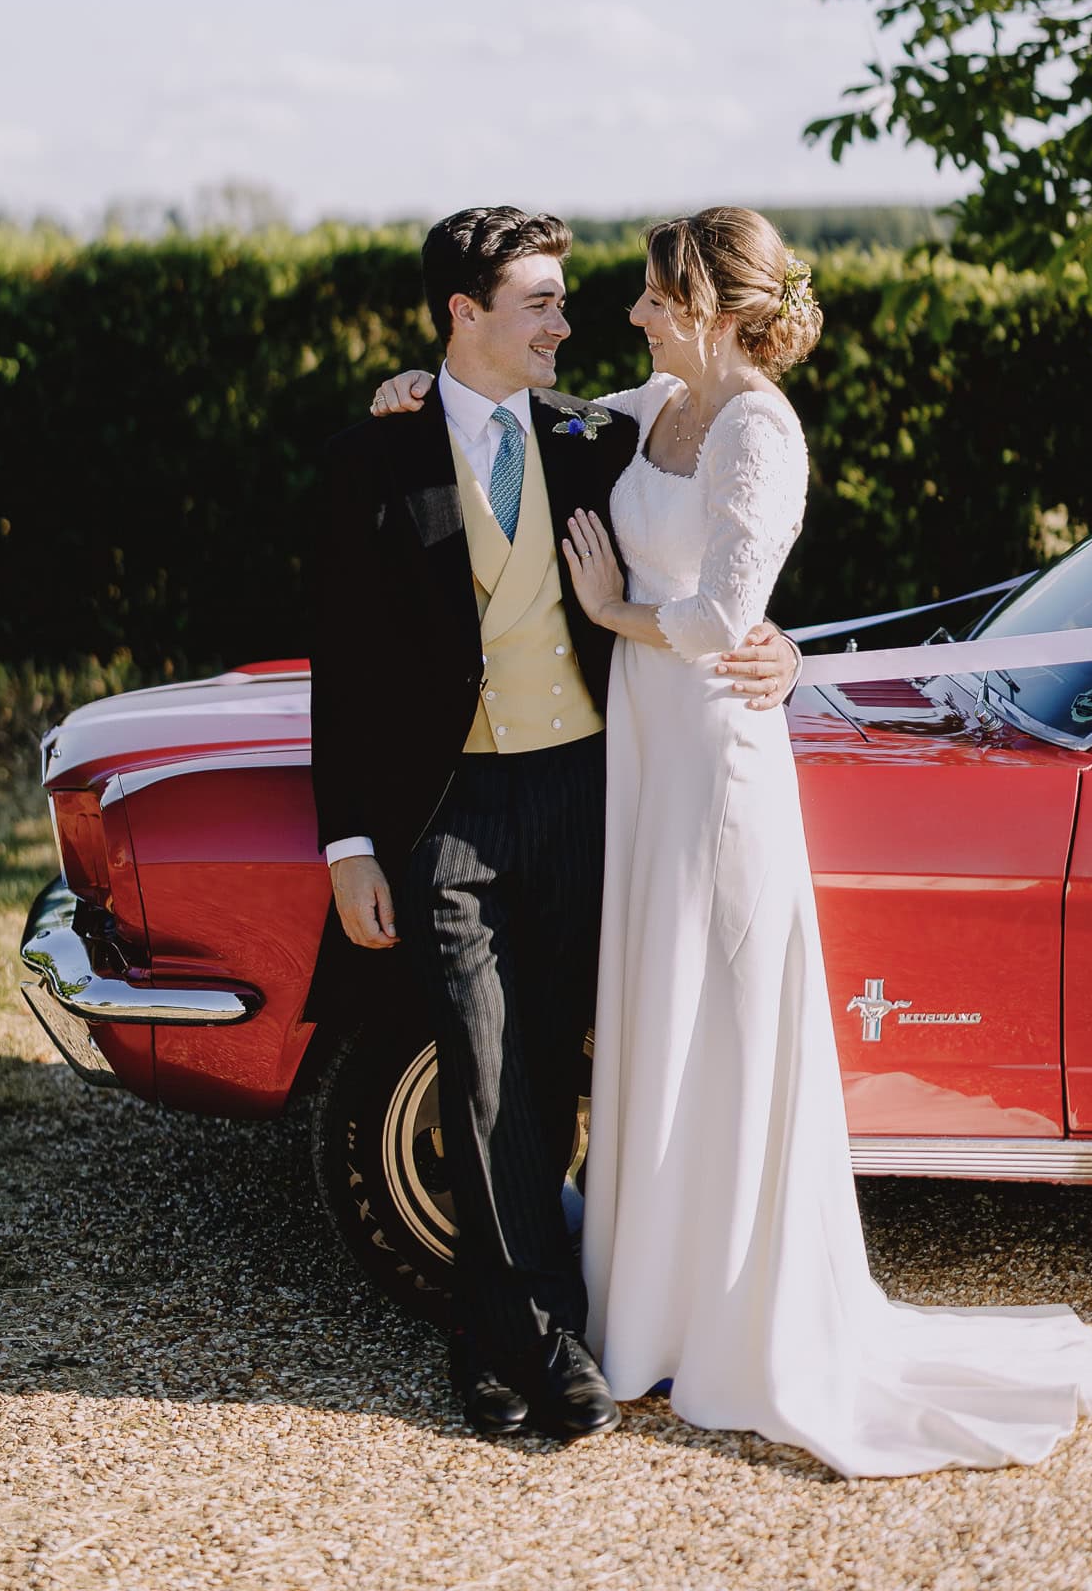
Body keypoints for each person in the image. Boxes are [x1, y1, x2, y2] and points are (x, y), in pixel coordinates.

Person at [371, 205, 1092, 1478]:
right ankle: (646, 1302)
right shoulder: (660, 403)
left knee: (713, 1007)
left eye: (653, 294)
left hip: (714, 749)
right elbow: (524, 406)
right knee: (652, 1005)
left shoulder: (759, 427)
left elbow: (729, 613)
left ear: (713, 308)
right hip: (642, 747)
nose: (629, 311)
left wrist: (615, 605)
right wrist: (415, 383)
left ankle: (726, 1314)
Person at [309, 205, 800, 1445]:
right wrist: (348, 843)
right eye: (539, 303)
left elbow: (723, 548)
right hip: (448, 810)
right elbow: (344, 666)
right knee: (479, 1069)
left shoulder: (598, 434)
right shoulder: (375, 453)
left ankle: (499, 1336)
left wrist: (781, 647)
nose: (566, 325)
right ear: (463, 312)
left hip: (589, 790)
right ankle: (539, 1338)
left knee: (557, 1067)